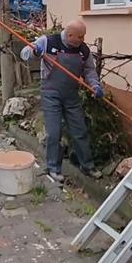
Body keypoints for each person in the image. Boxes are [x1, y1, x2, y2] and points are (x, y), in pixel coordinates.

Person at [21, 18, 104, 182]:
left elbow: (89, 71)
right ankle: (53, 168)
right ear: (70, 34)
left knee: (80, 131)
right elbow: (24, 54)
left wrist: (95, 85)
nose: (83, 40)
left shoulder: (83, 51)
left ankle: (87, 166)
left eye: (84, 36)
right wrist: (35, 52)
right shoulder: (48, 41)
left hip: (71, 95)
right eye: (80, 37)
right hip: (51, 93)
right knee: (54, 132)